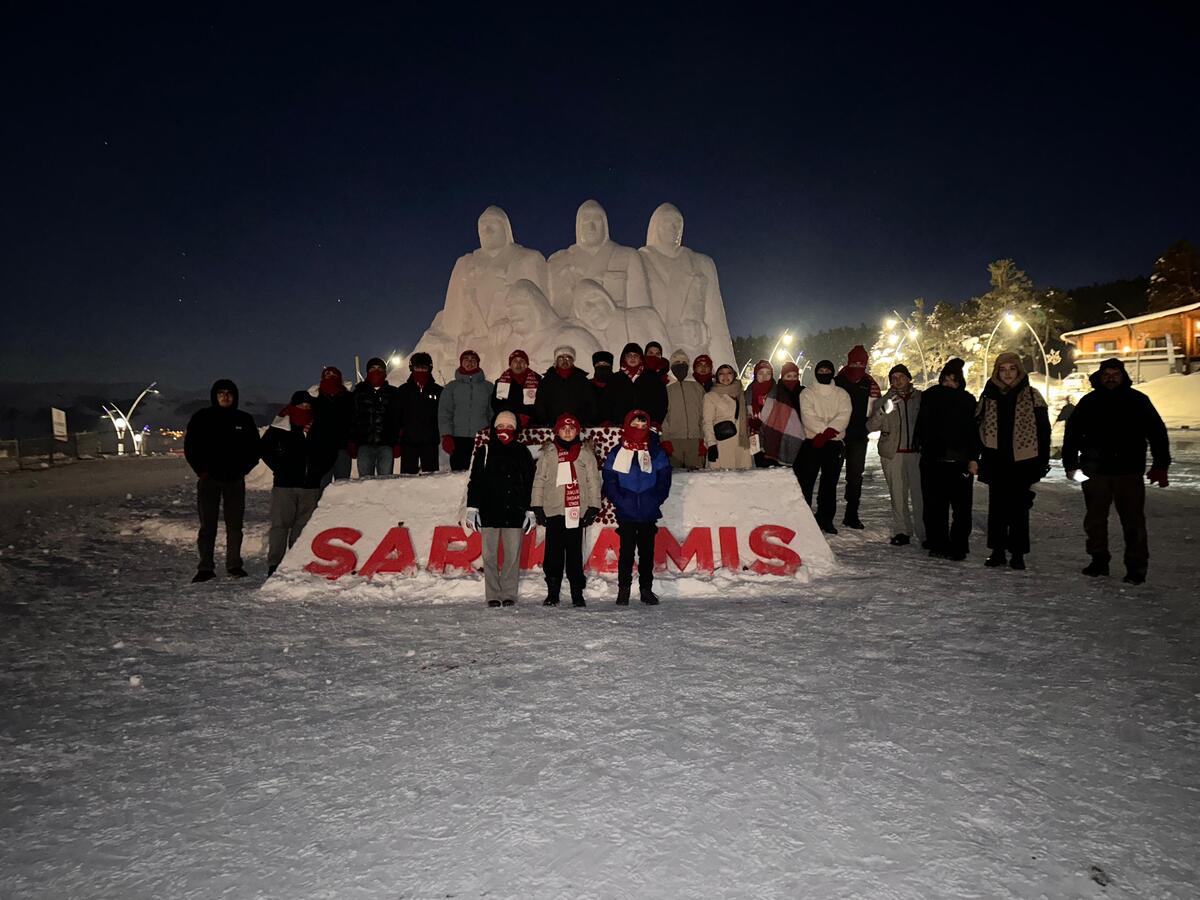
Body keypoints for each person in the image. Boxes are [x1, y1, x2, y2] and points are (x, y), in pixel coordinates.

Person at [1062, 357, 1171, 584]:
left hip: (1128, 472)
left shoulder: (1138, 401)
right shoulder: (1089, 402)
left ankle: (1136, 567)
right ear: (1100, 377)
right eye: (1107, 375)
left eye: (1115, 374)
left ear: (1123, 376)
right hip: (1095, 471)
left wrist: (1161, 465)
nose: (1111, 379)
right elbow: (1072, 435)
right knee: (1095, 520)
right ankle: (1098, 560)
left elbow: (1157, 433)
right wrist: (1070, 465)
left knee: (1133, 521)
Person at [976, 353, 1051, 570]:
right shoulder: (988, 396)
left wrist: (1041, 462)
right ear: (996, 372)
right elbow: (977, 427)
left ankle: (1018, 553)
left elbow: (1043, 431)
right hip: (996, 460)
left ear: (1019, 371)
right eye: (1003, 369)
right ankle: (997, 551)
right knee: (997, 509)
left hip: (1023, 461)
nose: (1007, 373)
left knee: (1019, 510)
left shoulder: (1032, 395)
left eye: (1012, 368)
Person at [183, 378, 260, 582]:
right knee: (207, 525)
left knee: (234, 526)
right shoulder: (202, 418)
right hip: (209, 480)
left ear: (235, 396)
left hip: (235, 480)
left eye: (229, 393)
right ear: (214, 396)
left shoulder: (244, 419)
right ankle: (206, 567)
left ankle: (234, 565)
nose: (225, 397)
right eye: (221, 393)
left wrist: (243, 470)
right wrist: (201, 471)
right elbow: (191, 446)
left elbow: (254, 449)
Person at [462, 410, 538, 607]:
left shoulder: (522, 451)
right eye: (501, 426)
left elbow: (530, 483)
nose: (505, 430)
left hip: (515, 512)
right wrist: (472, 508)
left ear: (516, 429)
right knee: (490, 556)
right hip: (489, 511)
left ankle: (509, 594)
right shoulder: (485, 451)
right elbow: (475, 481)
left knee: (512, 556)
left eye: (510, 427)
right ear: (494, 428)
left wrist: (530, 510)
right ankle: (493, 595)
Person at [261, 392, 338, 576]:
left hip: (310, 485)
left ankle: (295, 562)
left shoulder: (318, 427)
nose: (304, 409)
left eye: (307, 406)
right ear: (293, 407)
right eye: (301, 406)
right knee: (280, 525)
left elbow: (330, 450)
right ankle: (275, 564)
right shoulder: (281, 426)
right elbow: (265, 449)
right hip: (285, 485)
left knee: (302, 527)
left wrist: (318, 471)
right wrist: (280, 468)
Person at [602, 409, 673, 605]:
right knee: (626, 553)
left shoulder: (655, 451)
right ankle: (623, 590)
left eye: (643, 426)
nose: (639, 429)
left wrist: (655, 498)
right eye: (635, 425)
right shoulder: (617, 452)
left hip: (648, 511)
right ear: (627, 425)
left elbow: (664, 478)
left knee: (646, 553)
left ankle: (646, 590)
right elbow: (609, 479)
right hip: (626, 511)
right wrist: (620, 499)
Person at [531, 413, 601, 607]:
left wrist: (593, 506)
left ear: (577, 431)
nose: (567, 432)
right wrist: (537, 505)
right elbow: (539, 480)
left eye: (571, 429)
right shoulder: (548, 453)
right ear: (557, 431)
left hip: (576, 511)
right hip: (553, 510)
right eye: (563, 428)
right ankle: (552, 592)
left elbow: (593, 481)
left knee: (574, 554)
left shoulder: (585, 454)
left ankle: (577, 592)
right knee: (552, 554)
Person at [913, 358, 979, 561]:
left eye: (954, 381)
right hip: (934, 461)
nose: (950, 385)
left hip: (960, 463)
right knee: (935, 506)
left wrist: (973, 458)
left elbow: (974, 432)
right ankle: (938, 543)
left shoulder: (968, 401)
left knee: (961, 509)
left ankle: (959, 545)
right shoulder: (930, 397)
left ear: (961, 382)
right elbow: (922, 426)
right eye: (946, 380)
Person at [866, 364, 923, 546]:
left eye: (901, 377)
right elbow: (871, 426)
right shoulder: (883, 401)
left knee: (919, 495)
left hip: (916, 454)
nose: (897, 380)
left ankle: (924, 532)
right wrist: (884, 411)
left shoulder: (920, 398)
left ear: (909, 378)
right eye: (894, 378)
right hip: (892, 454)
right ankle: (902, 531)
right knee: (897, 495)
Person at [795, 360, 852, 534]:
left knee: (829, 484)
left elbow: (844, 414)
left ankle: (826, 518)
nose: (824, 373)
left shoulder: (841, 394)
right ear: (816, 372)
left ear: (832, 372)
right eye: (821, 370)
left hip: (833, 443)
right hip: (812, 442)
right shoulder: (807, 393)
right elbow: (808, 415)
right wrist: (821, 432)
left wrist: (827, 433)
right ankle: (804, 518)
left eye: (828, 370)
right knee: (806, 482)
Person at [833, 345, 881, 529]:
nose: (857, 367)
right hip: (837, 436)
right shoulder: (837, 381)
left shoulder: (870, 384)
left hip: (859, 438)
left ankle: (852, 514)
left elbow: (876, 409)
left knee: (855, 477)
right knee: (831, 476)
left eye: (861, 364)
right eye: (854, 362)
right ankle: (826, 513)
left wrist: (867, 428)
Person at [438, 349, 493, 471]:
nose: (470, 362)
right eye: (466, 359)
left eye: (473, 360)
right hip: (458, 439)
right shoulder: (451, 387)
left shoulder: (488, 387)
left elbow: (492, 412)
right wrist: (446, 435)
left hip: (481, 438)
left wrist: (491, 432)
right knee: (459, 474)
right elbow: (444, 412)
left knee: (480, 473)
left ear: (478, 363)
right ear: (461, 363)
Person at [350, 357, 401, 477]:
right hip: (364, 445)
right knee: (365, 482)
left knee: (385, 481)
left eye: (379, 368)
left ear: (385, 372)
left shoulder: (393, 393)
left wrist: (397, 442)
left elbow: (398, 419)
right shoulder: (358, 393)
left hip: (386, 445)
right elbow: (352, 418)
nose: (376, 371)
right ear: (368, 372)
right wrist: (352, 441)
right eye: (373, 368)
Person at [394, 352, 442, 474]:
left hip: (430, 442)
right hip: (408, 443)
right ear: (412, 368)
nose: (420, 370)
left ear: (429, 368)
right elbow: (396, 418)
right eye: (417, 367)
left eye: (424, 368)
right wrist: (396, 441)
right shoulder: (403, 391)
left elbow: (443, 416)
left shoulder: (438, 391)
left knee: (431, 478)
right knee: (407, 479)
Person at [603, 342, 669, 430]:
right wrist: (608, 421)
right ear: (624, 358)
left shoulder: (653, 378)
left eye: (636, 355)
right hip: (620, 427)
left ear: (641, 358)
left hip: (646, 427)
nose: (632, 358)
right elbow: (606, 403)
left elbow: (661, 402)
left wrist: (656, 422)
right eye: (629, 355)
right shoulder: (614, 379)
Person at [702, 364, 753, 470]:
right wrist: (711, 444)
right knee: (722, 477)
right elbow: (707, 422)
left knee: (742, 477)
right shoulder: (711, 396)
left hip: (741, 443)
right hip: (722, 443)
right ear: (717, 377)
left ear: (734, 375)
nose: (725, 376)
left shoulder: (740, 394)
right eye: (721, 374)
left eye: (729, 373)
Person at [662, 349, 707, 469]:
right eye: (677, 363)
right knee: (675, 476)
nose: (681, 365)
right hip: (674, 440)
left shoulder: (697, 387)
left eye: (684, 363)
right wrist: (665, 439)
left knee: (696, 476)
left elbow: (704, 415)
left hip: (695, 440)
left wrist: (704, 439)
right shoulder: (666, 388)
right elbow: (663, 417)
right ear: (672, 366)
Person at [533, 345, 598, 427]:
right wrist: (544, 422)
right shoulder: (546, 381)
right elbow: (540, 404)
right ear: (556, 360)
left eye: (568, 358)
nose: (564, 361)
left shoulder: (583, 381)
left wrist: (585, 422)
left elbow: (591, 403)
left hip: (578, 426)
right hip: (552, 427)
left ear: (573, 360)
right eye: (561, 358)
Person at [312, 365, 353, 487]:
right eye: (327, 375)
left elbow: (354, 420)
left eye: (334, 375)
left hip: (342, 448)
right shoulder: (315, 398)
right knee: (322, 485)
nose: (331, 378)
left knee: (342, 486)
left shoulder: (348, 397)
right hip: (322, 449)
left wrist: (352, 440)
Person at [759, 360, 805, 467]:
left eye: (795, 376)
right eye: (788, 376)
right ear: (782, 376)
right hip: (778, 437)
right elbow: (766, 415)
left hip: (800, 438)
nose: (792, 379)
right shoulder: (774, 393)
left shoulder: (803, 392)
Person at [491, 349, 541, 427]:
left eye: (521, 361)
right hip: (508, 423)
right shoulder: (501, 382)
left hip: (532, 424)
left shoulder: (537, 381)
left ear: (526, 364)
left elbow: (541, 404)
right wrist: (510, 415)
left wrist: (529, 416)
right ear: (510, 365)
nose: (518, 364)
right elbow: (495, 404)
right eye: (515, 361)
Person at [745, 359, 776, 467]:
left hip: (773, 437)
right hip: (754, 436)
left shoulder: (778, 393)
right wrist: (750, 420)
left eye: (768, 373)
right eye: (761, 373)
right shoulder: (748, 393)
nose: (764, 376)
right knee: (759, 468)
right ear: (755, 375)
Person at [590, 351, 614, 422]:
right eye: (598, 364)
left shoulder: (618, 385)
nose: (602, 366)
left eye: (605, 364)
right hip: (592, 426)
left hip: (615, 426)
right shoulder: (587, 385)